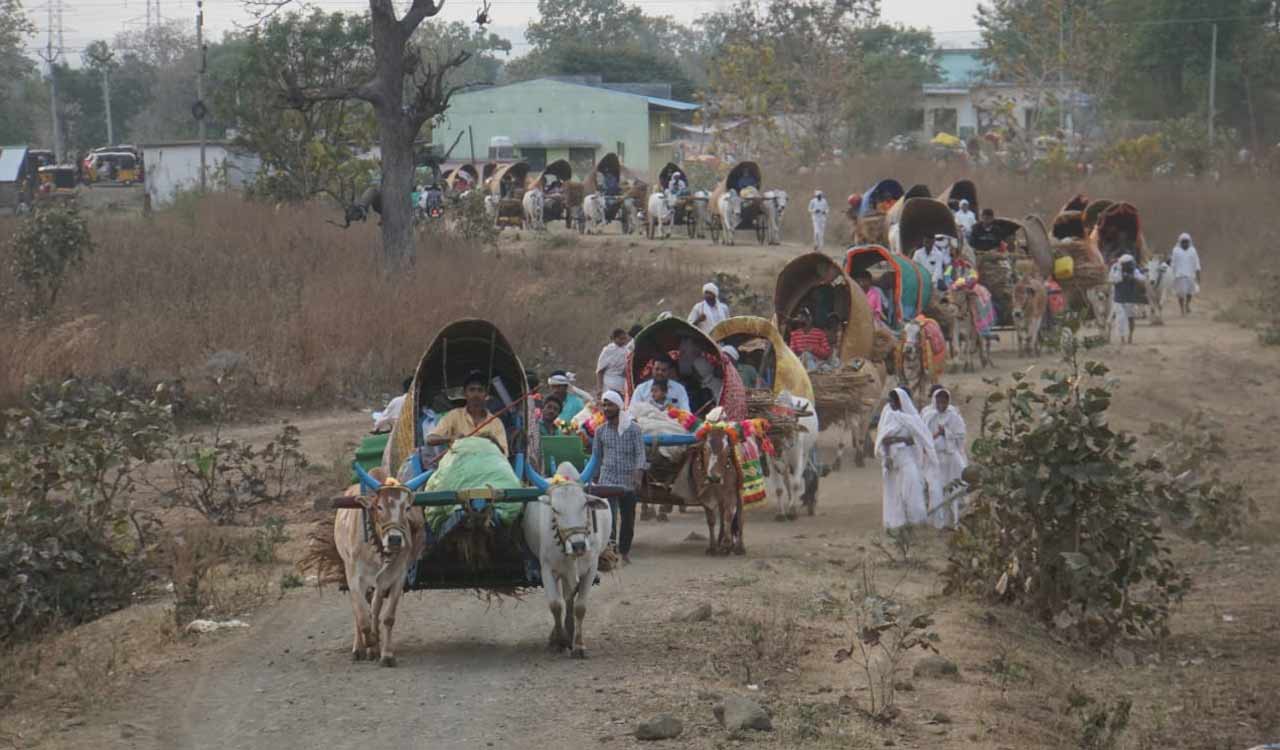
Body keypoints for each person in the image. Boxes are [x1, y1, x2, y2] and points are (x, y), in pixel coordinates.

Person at [593, 391, 646, 564]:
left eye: (610, 405)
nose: (606, 409)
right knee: (609, 517)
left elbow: (640, 454)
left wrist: (638, 475)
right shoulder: (600, 431)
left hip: (628, 481)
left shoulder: (634, 430)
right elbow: (596, 457)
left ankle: (624, 551)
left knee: (628, 519)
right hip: (607, 479)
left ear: (619, 406)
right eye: (604, 405)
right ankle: (611, 551)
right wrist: (592, 479)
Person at [874, 388, 936, 529]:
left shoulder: (913, 418)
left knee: (912, 487)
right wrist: (888, 456)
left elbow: (919, 438)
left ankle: (916, 519)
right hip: (892, 460)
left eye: (894, 401)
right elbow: (883, 438)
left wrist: (898, 439)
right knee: (894, 491)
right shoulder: (888, 415)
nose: (891, 404)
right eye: (890, 401)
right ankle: (897, 522)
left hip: (907, 459)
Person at [427, 370, 508, 456]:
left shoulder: (496, 422)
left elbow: (504, 454)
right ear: (465, 393)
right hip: (459, 464)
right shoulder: (454, 415)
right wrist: (451, 438)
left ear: (486, 395)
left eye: (480, 390)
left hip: (487, 466)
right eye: (472, 390)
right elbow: (430, 439)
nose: (476, 394)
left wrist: (493, 441)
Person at [921, 387, 967, 529]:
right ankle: (938, 523)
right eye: (939, 400)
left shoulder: (954, 417)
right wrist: (936, 436)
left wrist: (945, 433)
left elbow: (961, 437)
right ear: (935, 400)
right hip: (935, 460)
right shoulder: (928, 417)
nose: (942, 403)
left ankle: (952, 522)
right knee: (935, 490)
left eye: (944, 400)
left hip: (950, 459)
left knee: (951, 490)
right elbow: (923, 437)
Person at [1109, 253, 1146, 345]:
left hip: (1130, 298)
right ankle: (1122, 339)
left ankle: (1130, 337)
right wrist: (1123, 276)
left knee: (1130, 318)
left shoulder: (1133, 269)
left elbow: (1142, 278)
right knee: (1120, 319)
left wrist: (1133, 278)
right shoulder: (1115, 268)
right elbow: (1112, 279)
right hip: (1119, 298)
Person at [1170, 232, 1202, 315]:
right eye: (1183, 242)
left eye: (1186, 241)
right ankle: (1182, 309)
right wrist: (1171, 274)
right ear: (1180, 242)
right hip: (1179, 275)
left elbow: (1197, 262)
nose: (1185, 243)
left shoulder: (1192, 250)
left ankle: (1187, 304)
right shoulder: (1176, 250)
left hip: (1190, 275)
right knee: (1180, 294)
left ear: (1189, 242)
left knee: (1190, 292)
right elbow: (1173, 263)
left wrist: (1198, 274)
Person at [595, 328, 631, 396]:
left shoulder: (627, 351)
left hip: (622, 385)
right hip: (608, 383)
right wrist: (599, 388)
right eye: (621, 339)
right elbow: (600, 371)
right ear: (615, 338)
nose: (623, 341)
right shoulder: (607, 350)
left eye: (624, 339)